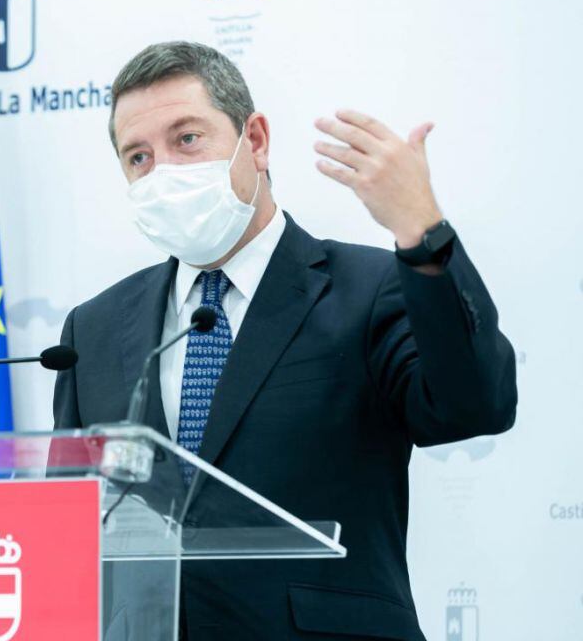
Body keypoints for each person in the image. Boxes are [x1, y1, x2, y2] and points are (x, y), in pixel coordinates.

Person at [52, 41, 517, 640]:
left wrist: (422, 232)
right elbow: (67, 531)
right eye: (138, 158)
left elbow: (474, 405)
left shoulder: (369, 289)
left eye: (187, 139)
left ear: (257, 141)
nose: (162, 171)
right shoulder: (91, 329)